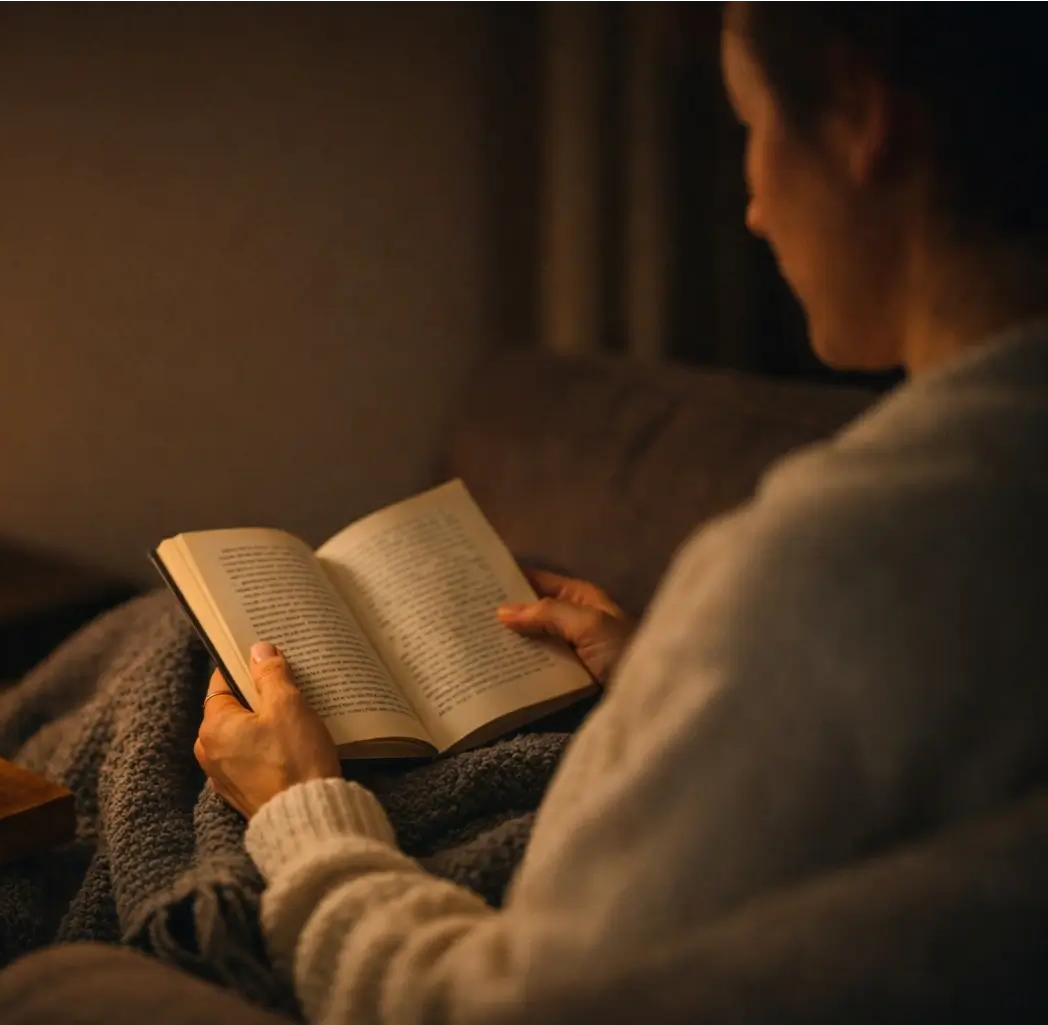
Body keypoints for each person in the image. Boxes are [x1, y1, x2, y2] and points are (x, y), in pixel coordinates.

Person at [194, 2, 1048, 1023]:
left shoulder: (829, 568)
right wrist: (673, 674)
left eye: (751, 129)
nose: (754, 209)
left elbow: (479, 1007)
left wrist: (300, 813)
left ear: (866, 121)